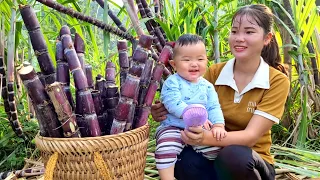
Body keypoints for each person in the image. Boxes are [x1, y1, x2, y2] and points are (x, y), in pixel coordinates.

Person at [151, 4, 290, 180]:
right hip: (212, 155)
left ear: (267, 38)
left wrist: (202, 138)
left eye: (249, 32)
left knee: (233, 156)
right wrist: (163, 112)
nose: (239, 38)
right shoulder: (214, 72)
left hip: (250, 162)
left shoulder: (276, 80)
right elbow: (191, 107)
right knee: (183, 160)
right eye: (234, 31)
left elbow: (250, 137)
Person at [155, 34, 227, 180]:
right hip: (173, 127)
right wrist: (191, 114)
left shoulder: (207, 86)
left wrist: (218, 125)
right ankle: (167, 177)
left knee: (219, 149)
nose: (194, 64)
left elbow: (213, 107)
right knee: (165, 148)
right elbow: (172, 102)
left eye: (200, 59)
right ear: (174, 64)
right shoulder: (172, 82)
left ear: (206, 61)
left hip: (200, 130)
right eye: (187, 60)